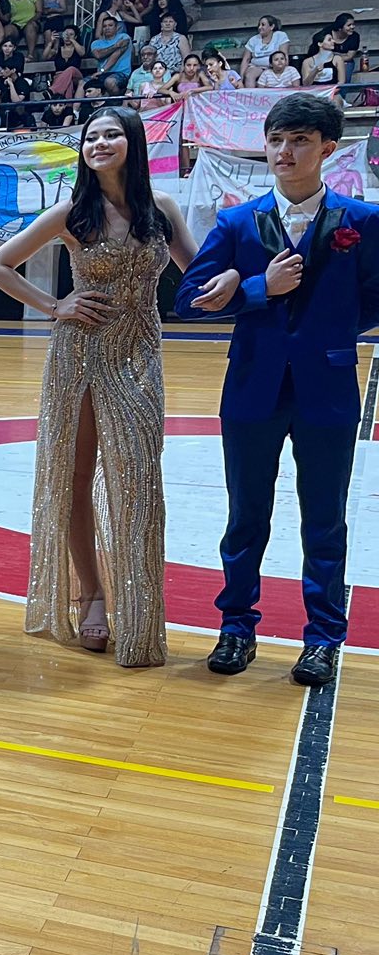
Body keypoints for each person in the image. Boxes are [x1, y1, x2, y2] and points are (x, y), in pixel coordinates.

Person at [174, 93, 379, 687]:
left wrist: (332, 331)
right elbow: (189, 300)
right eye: (276, 141)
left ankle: (322, 639)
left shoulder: (361, 223)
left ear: (328, 150)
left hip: (330, 387)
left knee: (324, 521)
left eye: (299, 141)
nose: (285, 152)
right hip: (251, 387)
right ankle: (236, 626)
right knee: (245, 518)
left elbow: (374, 296)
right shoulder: (237, 222)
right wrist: (259, 288)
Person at [0, 109, 198, 667]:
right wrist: (56, 306)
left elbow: (197, 279)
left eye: (111, 134)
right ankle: (92, 593)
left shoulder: (163, 211)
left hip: (139, 357)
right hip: (78, 356)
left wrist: (247, 285)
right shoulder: (71, 213)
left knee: (139, 479)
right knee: (75, 475)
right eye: (91, 137)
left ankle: (141, 604)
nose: (99, 143)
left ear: (134, 144)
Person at [241, 15, 289, 86]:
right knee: (249, 75)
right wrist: (241, 78)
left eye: (263, 25)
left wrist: (283, 70)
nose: (260, 27)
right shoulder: (253, 40)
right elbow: (246, 59)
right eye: (259, 25)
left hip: (274, 67)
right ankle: (251, 96)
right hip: (257, 67)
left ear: (271, 27)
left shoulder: (280, 36)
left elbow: (284, 54)